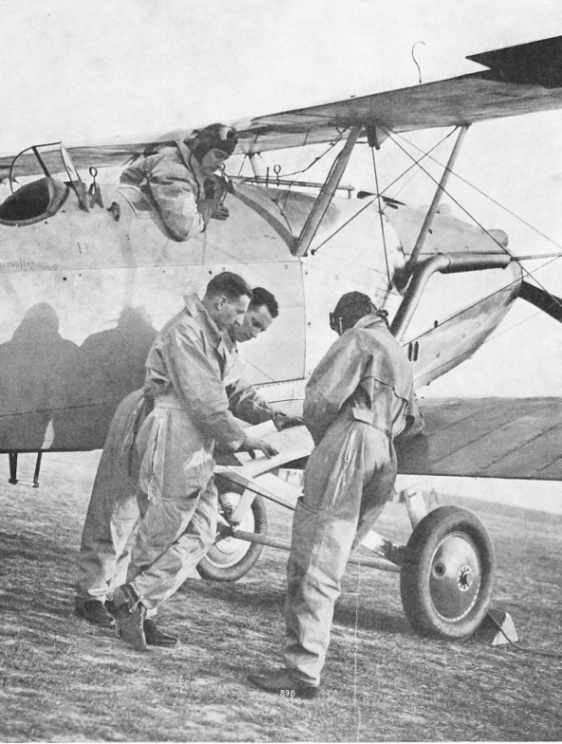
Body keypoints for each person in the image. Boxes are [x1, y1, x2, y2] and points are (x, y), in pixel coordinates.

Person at [75, 286, 297, 640]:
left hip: (190, 433)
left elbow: (237, 391)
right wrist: (242, 438)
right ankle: (92, 594)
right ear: (235, 308)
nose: (252, 332)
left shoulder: (226, 344)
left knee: (185, 526)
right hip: (149, 418)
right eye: (251, 321)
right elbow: (205, 399)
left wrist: (272, 415)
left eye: (260, 329)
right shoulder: (191, 332)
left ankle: (135, 600)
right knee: (117, 509)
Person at [248, 291, 423, 698]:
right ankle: (305, 665)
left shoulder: (357, 339)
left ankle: (302, 673)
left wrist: (329, 441)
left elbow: (321, 400)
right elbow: (414, 422)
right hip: (386, 454)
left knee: (313, 560)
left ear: (345, 318)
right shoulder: (398, 354)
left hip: (351, 442)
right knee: (333, 558)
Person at [119, 123, 237, 241]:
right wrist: (208, 207)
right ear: (203, 147)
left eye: (224, 159)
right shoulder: (176, 171)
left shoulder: (183, 158)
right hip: (134, 225)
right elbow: (184, 229)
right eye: (217, 155)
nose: (219, 164)